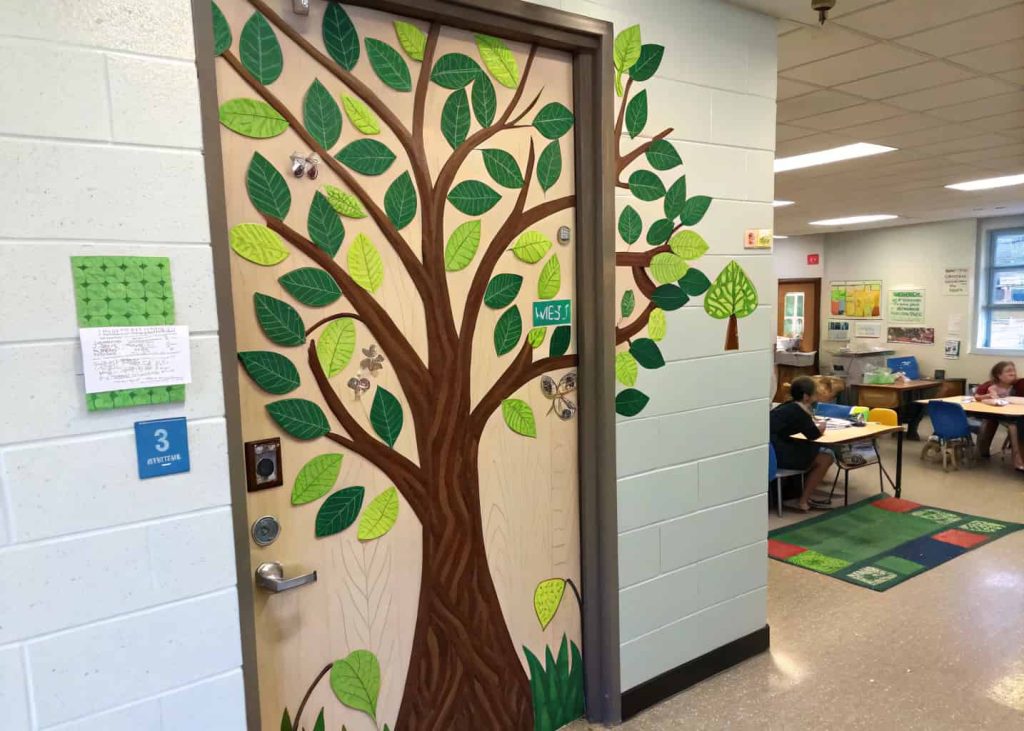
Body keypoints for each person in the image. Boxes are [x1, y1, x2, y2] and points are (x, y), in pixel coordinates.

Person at [770, 376, 835, 511]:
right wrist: (821, 427)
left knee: (820, 451)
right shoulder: (799, 411)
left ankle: (798, 494)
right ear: (806, 396)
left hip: (772, 452)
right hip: (779, 456)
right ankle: (803, 500)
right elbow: (814, 435)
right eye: (815, 394)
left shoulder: (787, 406)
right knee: (826, 457)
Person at [975, 361, 1024, 473]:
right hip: (995, 414)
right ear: (999, 375)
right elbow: (978, 397)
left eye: (1014, 370)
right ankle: (983, 452)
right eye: (1008, 371)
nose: (1013, 373)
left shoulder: (1018, 385)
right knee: (990, 422)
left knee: (1014, 426)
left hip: (1012, 416)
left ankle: (1018, 458)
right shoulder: (991, 386)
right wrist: (989, 395)